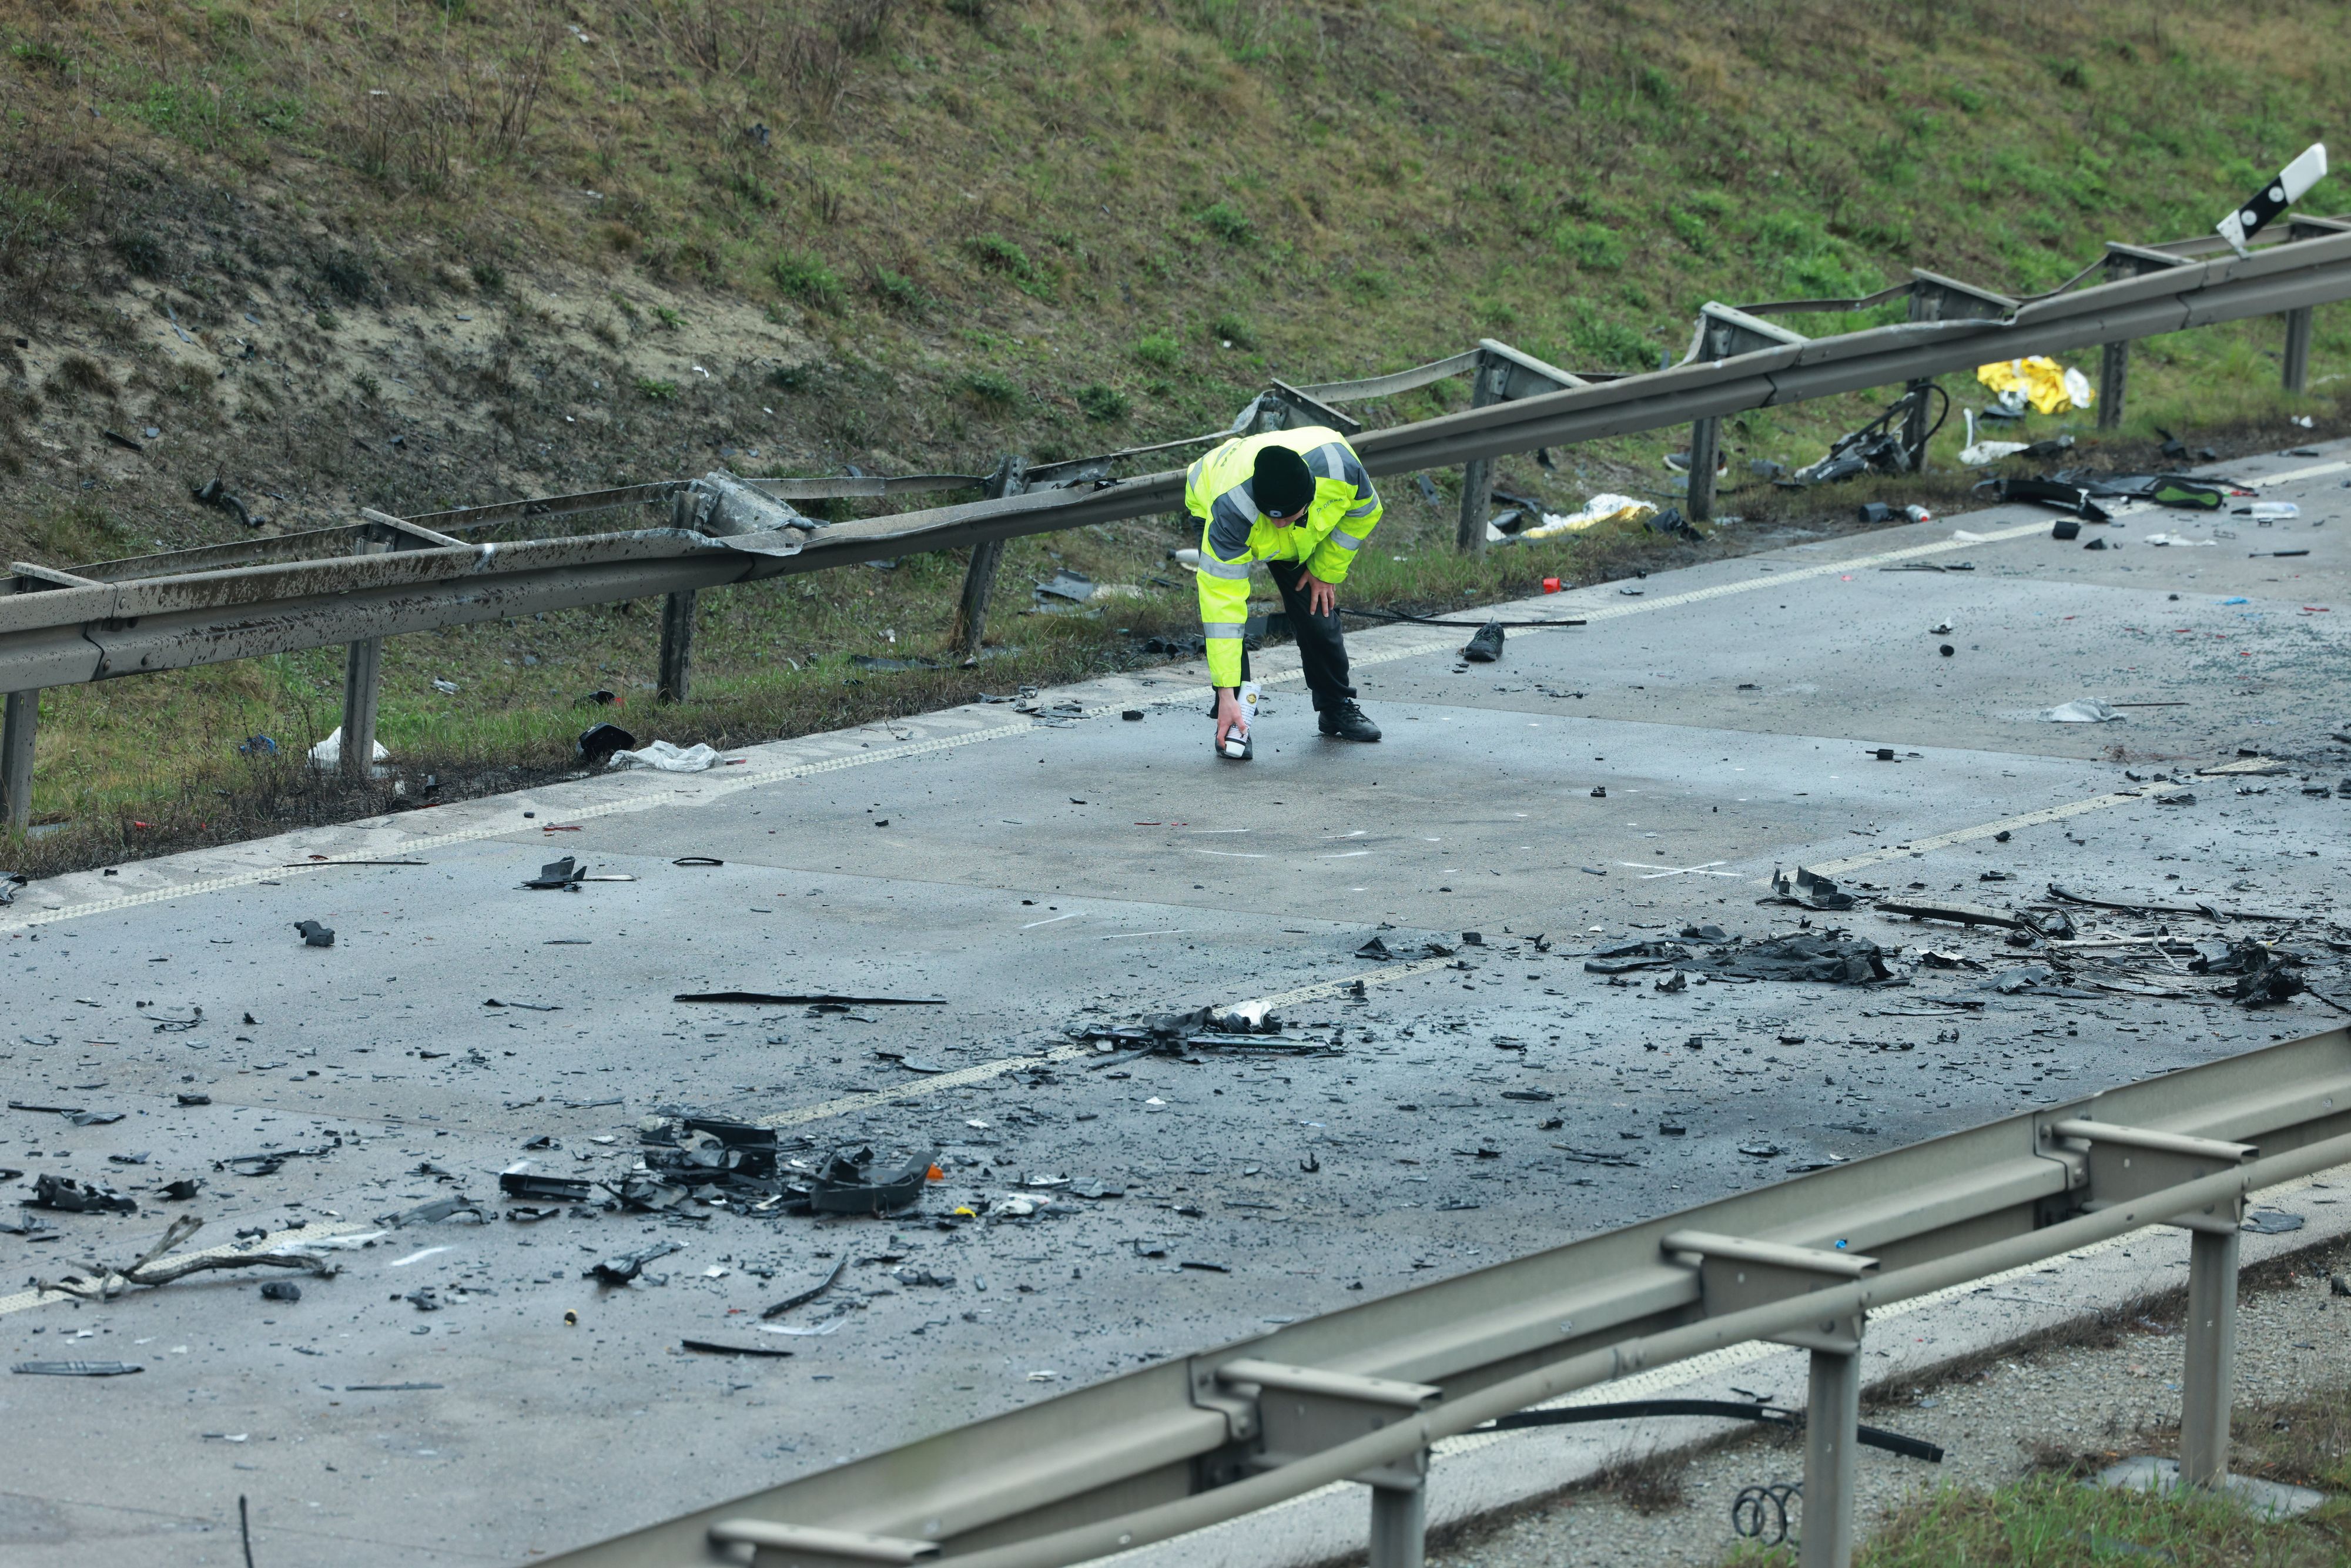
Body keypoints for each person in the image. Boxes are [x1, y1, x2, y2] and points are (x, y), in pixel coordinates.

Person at [1184, 424, 1383, 758]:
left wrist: (1324, 571)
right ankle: (1234, 718)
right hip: (1213, 495)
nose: (1278, 524)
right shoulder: (1230, 510)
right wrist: (1226, 693)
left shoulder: (1341, 471)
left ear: (1309, 498)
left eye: (1286, 517)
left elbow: (1365, 512)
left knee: (1318, 611)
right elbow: (1223, 607)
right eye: (1272, 517)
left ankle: (1335, 707)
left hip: (1303, 529)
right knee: (1230, 624)